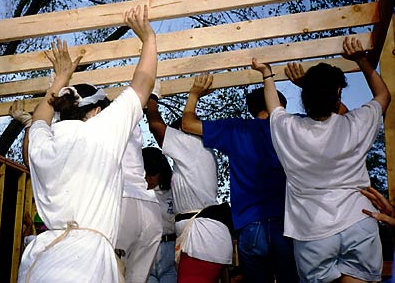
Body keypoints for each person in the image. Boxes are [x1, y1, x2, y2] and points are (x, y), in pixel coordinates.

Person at [17, 4, 157, 282]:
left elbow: (40, 119)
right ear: (94, 111)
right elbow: (143, 84)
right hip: (86, 263)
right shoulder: (100, 133)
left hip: (42, 261)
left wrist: (61, 77)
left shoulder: (43, 142)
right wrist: (149, 39)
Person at [255, 36, 391, 282]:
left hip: (312, 232)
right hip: (358, 221)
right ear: (338, 93)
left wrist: (267, 74)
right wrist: (362, 60)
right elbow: (383, 95)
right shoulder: (356, 123)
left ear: (305, 96)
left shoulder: (289, 129)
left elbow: (274, 107)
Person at [182, 74, 299, 283]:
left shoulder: (236, 129)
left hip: (249, 226)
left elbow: (188, 124)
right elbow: (338, 114)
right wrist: (305, 84)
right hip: (287, 225)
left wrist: (194, 95)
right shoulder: (293, 126)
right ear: (278, 104)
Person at [146, 89, 233, 283]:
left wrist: (151, 100)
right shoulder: (200, 152)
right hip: (201, 236)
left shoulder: (192, 145)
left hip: (202, 237)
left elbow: (156, 127)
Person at [116, 127, 162, 283]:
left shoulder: (95, 116)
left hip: (122, 199)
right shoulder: (132, 111)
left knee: (112, 273)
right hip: (149, 204)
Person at [142, 147, 177, 283]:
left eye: (153, 173)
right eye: (145, 173)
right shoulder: (136, 195)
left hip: (170, 251)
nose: (148, 178)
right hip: (146, 253)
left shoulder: (173, 193)